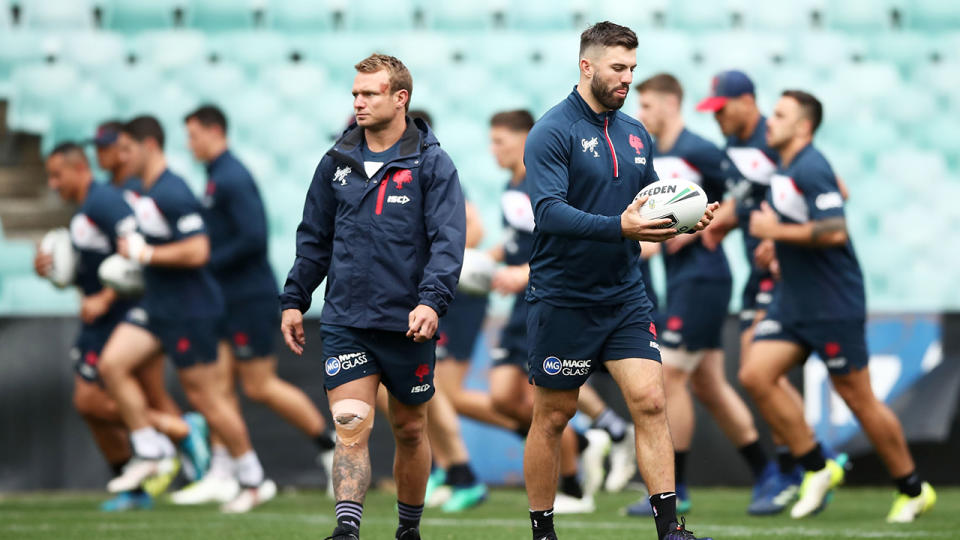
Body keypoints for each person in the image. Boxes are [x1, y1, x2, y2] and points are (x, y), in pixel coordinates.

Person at [521, 22, 715, 540]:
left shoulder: (635, 133)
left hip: (625, 294)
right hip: (564, 297)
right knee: (554, 416)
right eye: (618, 68)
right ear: (587, 66)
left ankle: (670, 529)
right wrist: (619, 227)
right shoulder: (552, 131)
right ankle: (543, 531)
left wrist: (686, 216)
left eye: (633, 67)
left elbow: (648, 202)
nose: (628, 77)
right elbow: (548, 213)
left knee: (651, 401)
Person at [279, 54, 465, 540]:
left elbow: (448, 241)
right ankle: (347, 531)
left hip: (409, 322)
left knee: (409, 431)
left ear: (400, 98)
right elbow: (313, 239)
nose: (358, 102)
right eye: (355, 94)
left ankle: (408, 529)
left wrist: (432, 301)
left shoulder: (432, 163)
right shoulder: (335, 163)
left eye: (369, 93)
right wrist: (295, 298)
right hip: (347, 320)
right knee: (351, 423)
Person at [741, 90, 936, 522]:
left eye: (779, 115)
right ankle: (818, 465)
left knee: (859, 399)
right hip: (794, 299)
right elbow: (835, 195)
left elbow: (834, 231)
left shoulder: (811, 164)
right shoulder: (789, 166)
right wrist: (776, 241)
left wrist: (775, 230)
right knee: (756, 374)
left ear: (804, 127)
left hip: (832, 303)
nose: (769, 121)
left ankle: (913, 488)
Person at [97, 115, 274, 513]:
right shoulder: (145, 190)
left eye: (127, 149)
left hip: (190, 309)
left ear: (148, 146)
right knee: (112, 365)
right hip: (158, 304)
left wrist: (144, 254)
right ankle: (150, 450)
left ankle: (253, 478)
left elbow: (198, 251)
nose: (121, 157)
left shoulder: (173, 190)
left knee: (209, 400)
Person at [169, 105, 337, 504]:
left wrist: (205, 262)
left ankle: (329, 447)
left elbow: (252, 238)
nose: (190, 145)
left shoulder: (232, 177)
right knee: (218, 386)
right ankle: (225, 470)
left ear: (214, 132)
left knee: (259, 385)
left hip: (248, 297)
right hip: (224, 299)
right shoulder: (215, 177)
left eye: (194, 135)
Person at [696, 71, 847, 514]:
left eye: (723, 109)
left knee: (759, 371)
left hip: (785, 275)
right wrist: (725, 220)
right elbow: (748, 198)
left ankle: (799, 466)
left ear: (747, 101)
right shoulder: (731, 150)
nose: (718, 117)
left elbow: (835, 192)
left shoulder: (774, 138)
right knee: (761, 375)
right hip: (755, 273)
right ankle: (805, 463)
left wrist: (779, 238)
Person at [624, 73, 773, 516]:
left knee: (669, 379)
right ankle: (767, 472)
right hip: (682, 278)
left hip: (704, 277)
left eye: (648, 105)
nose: (642, 114)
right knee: (708, 385)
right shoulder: (654, 155)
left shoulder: (700, 151)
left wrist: (703, 223)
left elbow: (742, 195)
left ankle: (678, 485)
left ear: (671, 104)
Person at [34, 142, 200, 511]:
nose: (53, 183)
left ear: (80, 169)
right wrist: (51, 269)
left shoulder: (104, 202)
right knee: (102, 403)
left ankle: (178, 433)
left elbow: (132, 253)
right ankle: (144, 477)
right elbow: (93, 263)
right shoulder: (86, 209)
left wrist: (104, 299)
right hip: (105, 318)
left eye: (57, 174)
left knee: (91, 398)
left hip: (123, 314)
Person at [484, 109, 609, 513]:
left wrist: (524, 272)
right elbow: (519, 242)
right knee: (504, 397)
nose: (493, 150)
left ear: (525, 140)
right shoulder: (511, 187)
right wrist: (485, 260)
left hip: (548, 299)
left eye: (500, 141)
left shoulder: (545, 181)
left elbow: (564, 238)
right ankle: (590, 440)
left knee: (548, 401)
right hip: (520, 306)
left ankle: (574, 484)